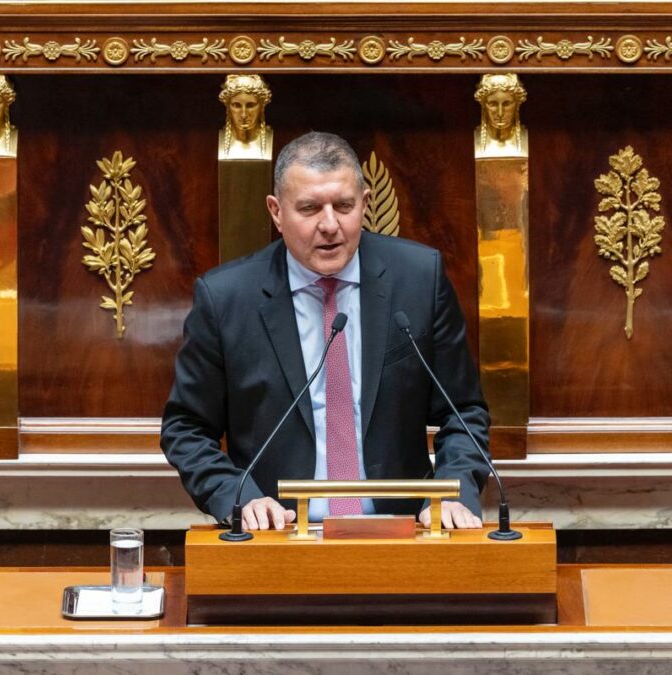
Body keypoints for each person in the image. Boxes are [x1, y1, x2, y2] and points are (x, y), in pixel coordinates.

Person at [161, 131, 490, 531]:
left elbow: (463, 412)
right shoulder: (226, 298)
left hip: (404, 532)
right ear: (276, 212)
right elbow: (187, 429)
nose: (330, 224)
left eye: (344, 206)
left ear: (365, 203)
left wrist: (453, 491)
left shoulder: (419, 279)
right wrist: (237, 497)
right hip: (278, 535)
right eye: (310, 208)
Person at [217, 74, 273, 160]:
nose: (244, 114)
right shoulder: (220, 139)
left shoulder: (270, 138)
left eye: (250, 105)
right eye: (236, 105)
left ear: (262, 106)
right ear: (228, 107)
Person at [473, 73, 528, 159]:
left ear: (517, 104)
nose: (500, 113)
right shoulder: (475, 137)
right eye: (493, 104)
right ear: (483, 105)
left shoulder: (526, 137)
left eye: (507, 104)